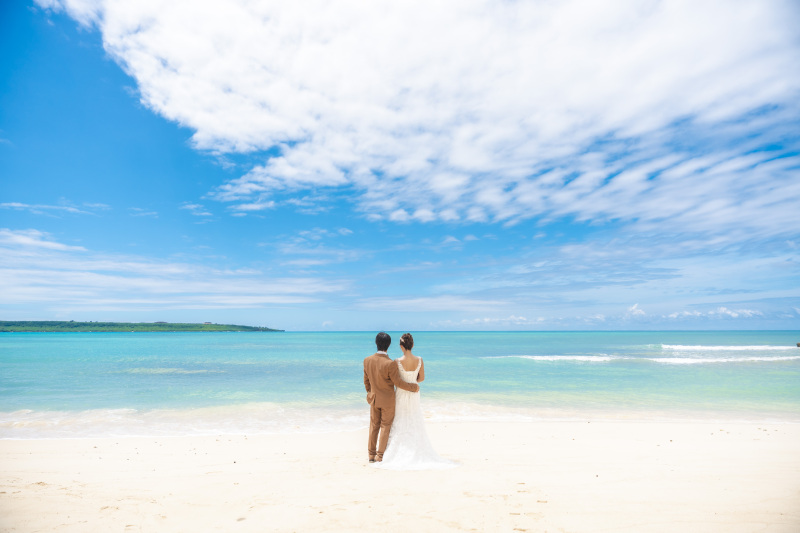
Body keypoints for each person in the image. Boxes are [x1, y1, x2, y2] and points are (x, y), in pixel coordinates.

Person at [374, 333, 456, 470]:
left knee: (400, 419)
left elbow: (396, 381)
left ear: (401, 347)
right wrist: (412, 381)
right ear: (412, 345)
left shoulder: (397, 361)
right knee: (414, 417)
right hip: (415, 393)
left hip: (401, 394)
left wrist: (405, 383)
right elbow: (422, 378)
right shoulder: (420, 360)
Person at [363, 332, 419, 463]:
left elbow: (366, 381)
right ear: (388, 345)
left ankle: (371, 455)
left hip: (374, 399)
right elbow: (398, 383)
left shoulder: (367, 360)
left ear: (376, 343)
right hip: (388, 401)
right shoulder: (390, 363)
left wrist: (370, 393)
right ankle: (380, 455)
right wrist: (413, 387)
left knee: (373, 426)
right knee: (385, 426)